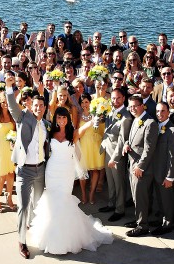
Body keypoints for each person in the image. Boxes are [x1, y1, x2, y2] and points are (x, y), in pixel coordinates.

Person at [29, 107, 113, 255]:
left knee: (64, 201)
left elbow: (87, 126)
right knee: (52, 202)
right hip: (52, 171)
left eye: (64, 118)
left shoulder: (73, 134)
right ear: (55, 119)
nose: (61, 121)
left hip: (66, 172)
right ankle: (50, 236)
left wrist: (96, 114)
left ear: (68, 119)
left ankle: (67, 238)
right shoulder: (50, 132)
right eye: (59, 118)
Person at [5, 75, 50, 260]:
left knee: (37, 204)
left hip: (41, 169)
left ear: (45, 108)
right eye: (35, 105)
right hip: (25, 170)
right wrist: (9, 88)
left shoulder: (46, 124)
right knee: (23, 207)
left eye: (41, 105)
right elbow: (12, 106)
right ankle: (22, 241)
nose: (38, 108)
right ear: (31, 106)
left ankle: (36, 231)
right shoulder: (23, 117)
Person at [122, 95, 158, 237]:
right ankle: (139, 220)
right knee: (136, 196)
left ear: (142, 105)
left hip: (141, 168)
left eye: (135, 106)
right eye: (130, 107)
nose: (132, 109)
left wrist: (141, 166)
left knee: (141, 196)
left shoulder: (150, 123)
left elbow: (149, 149)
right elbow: (132, 140)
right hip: (132, 164)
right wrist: (126, 144)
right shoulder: (136, 120)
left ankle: (142, 226)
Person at [99, 88, 132, 221]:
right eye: (113, 98)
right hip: (108, 149)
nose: (115, 101)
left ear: (123, 98)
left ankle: (120, 209)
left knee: (119, 182)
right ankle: (111, 203)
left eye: (118, 98)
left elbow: (122, 139)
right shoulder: (110, 111)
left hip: (117, 154)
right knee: (110, 181)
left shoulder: (126, 116)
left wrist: (115, 158)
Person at [149, 102, 174, 236]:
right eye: (157, 111)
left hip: (165, 172)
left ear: (168, 112)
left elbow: (173, 156)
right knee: (159, 198)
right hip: (155, 170)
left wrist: (170, 176)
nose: (159, 114)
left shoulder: (173, 131)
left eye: (162, 111)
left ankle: (168, 222)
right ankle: (162, 218)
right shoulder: (155, 126)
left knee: (167, 199)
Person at [0, 86, 17, 213]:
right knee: (1, 178)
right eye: (3, 102)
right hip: (0, 150)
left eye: (7, 102)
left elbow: (16, 131)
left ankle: (9, 198)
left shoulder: (12, 116)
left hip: (10, 149)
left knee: (11, 175)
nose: (5, 104)